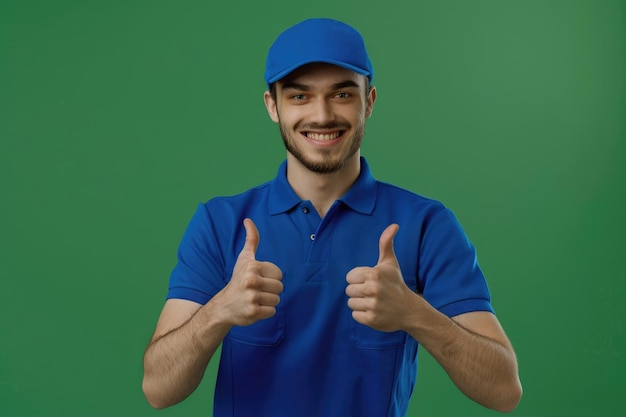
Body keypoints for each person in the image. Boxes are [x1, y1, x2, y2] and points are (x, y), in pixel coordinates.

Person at [142, 18, 522, 416]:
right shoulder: (220, 223)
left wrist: (414, 314)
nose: (322, 116)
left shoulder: (426, 224)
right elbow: (159, 390)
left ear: (369, 102)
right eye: (300, 96)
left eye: (341, 94)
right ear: (273, 106)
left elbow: (503, 391)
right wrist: (220, 311)